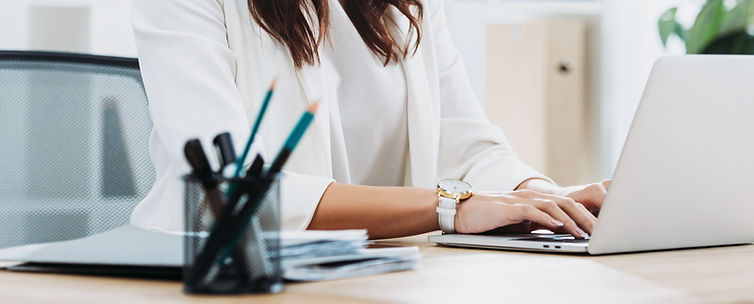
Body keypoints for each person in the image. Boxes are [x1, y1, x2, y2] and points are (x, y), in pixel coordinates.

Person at [131, 0, 609, 239]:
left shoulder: (410, 7)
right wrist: (451, 207)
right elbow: (230, 187)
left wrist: (543, 197)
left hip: (373, 275)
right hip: (216, 275)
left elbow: (469, 148)